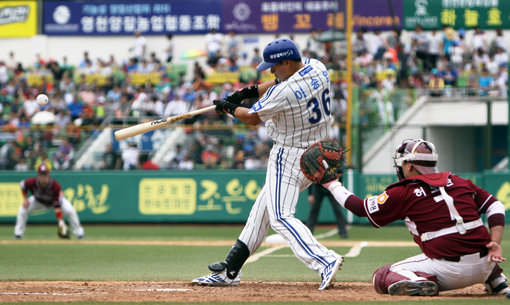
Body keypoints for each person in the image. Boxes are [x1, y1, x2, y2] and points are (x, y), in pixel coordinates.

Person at [192, 38, 343, 290]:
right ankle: (230, 270)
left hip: (290, 155)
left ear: (286, 60)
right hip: (316, 153)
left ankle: (325, 260)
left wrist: (228, 107)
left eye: (274, 65)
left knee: (280, 217)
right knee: (261, 214)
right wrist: (247, 92)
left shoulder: (284, 92)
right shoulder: (317, 66)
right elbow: (277, 82)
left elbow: (251, 117)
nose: (271, 70)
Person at [303, 138, 508, 296]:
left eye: (401, 164)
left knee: (381, 276)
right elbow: (495, 206)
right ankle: (496, 281)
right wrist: (495, 242)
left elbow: (360, 208)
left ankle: (418, 282)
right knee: (469, 240)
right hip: (487, 263)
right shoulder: (460, 181)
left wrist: (331, 183)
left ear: (409, 166)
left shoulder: (404, 191)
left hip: (450, 270)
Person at [14, 163, 85, 239]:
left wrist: (61, 222)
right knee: (22, 209)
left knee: (70, 211)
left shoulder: (55, 186)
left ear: (49, 175)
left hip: (53, 202)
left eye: (45, 175)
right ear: (38, 175)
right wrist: (25, 199)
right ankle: (18, 234)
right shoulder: (32, 182)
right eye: (41, 175)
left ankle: (79, 234)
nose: (43, 177)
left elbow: (57, 207)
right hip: (38, 201)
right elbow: (22, 185)